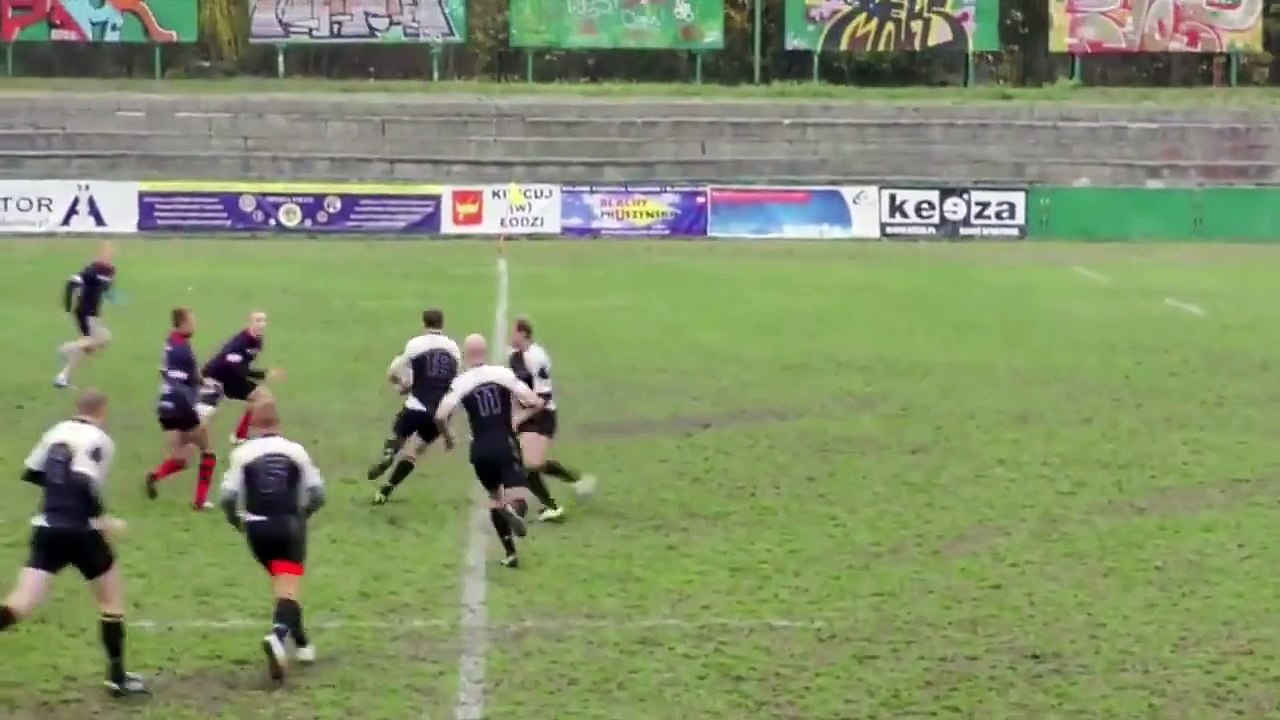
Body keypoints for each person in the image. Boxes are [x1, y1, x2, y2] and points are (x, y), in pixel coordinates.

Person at [0, 390, 149, 697]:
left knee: (20, 604)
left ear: (77, 408)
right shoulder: (98, 439)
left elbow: (32, 472)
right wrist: (104, 519)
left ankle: (117, 676)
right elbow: (83, 481)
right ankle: (117, 676)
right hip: (84, 532)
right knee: (110, 600)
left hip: (48, 527)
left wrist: (58, 493)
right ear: (102, 411)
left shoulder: (55, 432)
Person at [217, 399, 324, 685]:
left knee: (282, 585)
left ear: (252, 427)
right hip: (288, 525)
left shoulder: (241, 453)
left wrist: (237, 521)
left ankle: (302, 644)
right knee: (287, 587)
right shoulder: (295, 450)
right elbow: (318, 495)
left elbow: (226, 498)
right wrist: (303, 515)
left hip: (256, 530)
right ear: (278, 423)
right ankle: (278, 636)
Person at [436, 334, 541, 568]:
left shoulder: (461, 382)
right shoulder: (502, 374)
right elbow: (534, 402)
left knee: (495, 498)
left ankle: (510, 553)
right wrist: (515, 420)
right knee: (519, 498)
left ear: (465, 355)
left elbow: (441, 415)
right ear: (484, 353)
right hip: (504, 443)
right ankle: (512, 511)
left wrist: (449, 437)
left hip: (480, 451)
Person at [368, 308, 461, 505]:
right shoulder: (453, 348)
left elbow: (394, 371)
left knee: (398, 435)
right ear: (442, 325)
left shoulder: (415, 344)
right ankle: (387, 489)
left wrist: (400, 386)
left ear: (424, 324)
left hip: (416, 405)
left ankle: (388, 455)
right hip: (441, 412)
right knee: (414, 452)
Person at [508, 316, 596, 522]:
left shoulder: (537, 358)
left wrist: (518, 418)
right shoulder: (515, 356)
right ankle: (576, 482)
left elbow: (544, 398)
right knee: (531, 463)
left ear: (523, 333)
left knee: (529, 464)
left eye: (513, 332)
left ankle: (553, 507)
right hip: (526, 415)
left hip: (542, 415)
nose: (510, 336)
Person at [146, 307, 219, 510]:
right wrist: (206, 385)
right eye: (192, 321)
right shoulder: (183, 349)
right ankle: (200, 502)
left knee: (181, 457)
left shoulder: (170, 343)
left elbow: (167, 373)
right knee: (208, 452)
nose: (195, 325)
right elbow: (192, 377)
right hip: (182, 405)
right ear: (183, 323)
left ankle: (155, 476)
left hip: (165, 405)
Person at [198, 311, 282, 444]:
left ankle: (239, 435)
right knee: (205, 414)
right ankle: (183, 435)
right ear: (250, 322)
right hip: (215, 377)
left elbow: (241, 368)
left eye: (264, 320)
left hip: (232, 378)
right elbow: (238, 369)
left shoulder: (257, 341)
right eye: (258, 320)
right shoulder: (239, 343)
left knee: (263, 396)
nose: (262, 324)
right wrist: (264, 374)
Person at [55, 242, 116, 389]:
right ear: (99, 254)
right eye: (105, 253)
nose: (108, 256)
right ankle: (66, 348)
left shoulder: (111, 271)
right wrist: (68, 307)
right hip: (85, 312)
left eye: (110, 253)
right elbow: (71, 283)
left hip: (93, 313)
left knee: (87, 348)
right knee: (104, 338)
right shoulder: (91, 270)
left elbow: (105, 290)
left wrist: (112, 296)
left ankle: (62, 376)